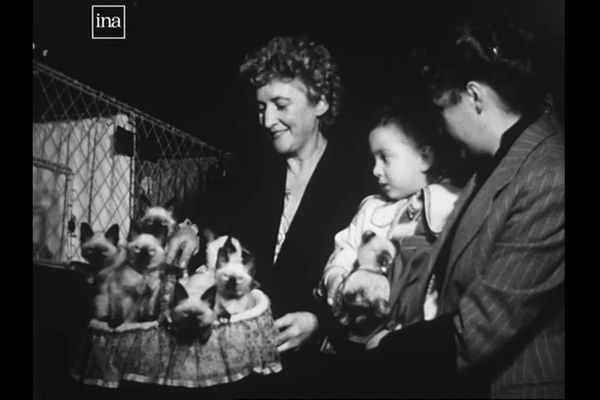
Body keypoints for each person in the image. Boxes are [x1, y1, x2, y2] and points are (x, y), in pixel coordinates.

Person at [350, 14, 564, 399]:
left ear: (474, 97)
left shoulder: (549, 177)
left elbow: (480, 329)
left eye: (444, 111)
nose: (443, 127)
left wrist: (385, 351)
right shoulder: (497, 162)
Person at [222, 35, 376, 398]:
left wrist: (321, 325)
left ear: (320, 102)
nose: (267, 120)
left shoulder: (360, 181)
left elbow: (377, 284)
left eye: (280, 104)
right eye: (261, 108)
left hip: (320, 377)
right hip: (246, 368)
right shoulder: (251, 175)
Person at [317, 100, 466, 350]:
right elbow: (345, 248)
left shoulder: (450, 204)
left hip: (411, 339)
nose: (376, 170)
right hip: (356, 331)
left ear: (424, 158)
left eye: (385, 158)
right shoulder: (372, 208)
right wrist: (335, 277)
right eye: (373, 159)